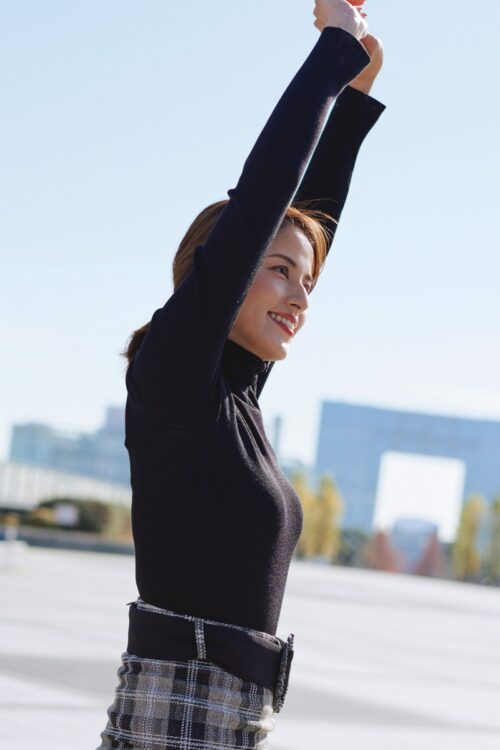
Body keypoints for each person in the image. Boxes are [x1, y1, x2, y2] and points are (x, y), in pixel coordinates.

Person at [97, 1, 385, 747]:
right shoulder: (173, 380)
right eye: (280, 273)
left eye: (309, 284)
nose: (299, 298)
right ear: (220, 275)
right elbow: (262, 200)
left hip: (226, 725)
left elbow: (299, 216)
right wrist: (331, 58)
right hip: (177, 725)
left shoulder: (236, 402)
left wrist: (349, 106)